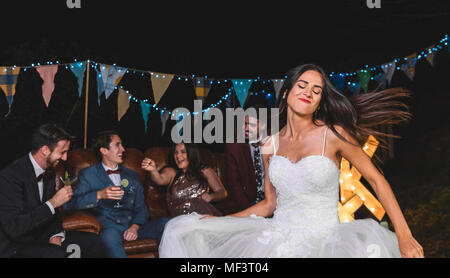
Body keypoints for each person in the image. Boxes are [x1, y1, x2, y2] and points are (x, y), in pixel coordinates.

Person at [158, 64, 424, 258]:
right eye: (302, 85)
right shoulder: (270, 143)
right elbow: (269, 204)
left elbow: (378, 181)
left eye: (317, 90)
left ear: (319, 102)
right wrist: (220, 222)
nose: (308, 92)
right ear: (286, 92)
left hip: (327, 242)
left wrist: (404, 234)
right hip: (279, 242)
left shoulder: (333, 135)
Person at [0, 123, 106, 258]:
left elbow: (53, 216)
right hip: (16, 246)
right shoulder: (10, 176)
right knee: (56, 254)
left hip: (41, 238)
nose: (65, 158)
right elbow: (14, 228)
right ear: (45, 150)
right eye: (62, 152)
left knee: (94, 242)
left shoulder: (49, 172)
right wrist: (53, 203)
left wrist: (56, 235)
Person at [65, 130, 169, 258]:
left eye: (122, 145)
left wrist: (135, 227)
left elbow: (141, 208)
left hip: (135, 227)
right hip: (111, 229)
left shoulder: (132, 175)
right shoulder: (88, 175)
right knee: (108, 237)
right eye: (117, 145)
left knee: (167, 223)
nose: (123, 149)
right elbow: (71, 204)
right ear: (104, 150)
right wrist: (98, 195)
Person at [142, 142, 227, 218]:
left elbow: (222, 192)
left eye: (183, 152)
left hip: (204, 216)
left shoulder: (205, 170)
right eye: (176, 152)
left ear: (191, 153)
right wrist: (153, 170)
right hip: (182, 220)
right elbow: (159, 179)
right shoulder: (171, 172)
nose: (178, 156)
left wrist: (211, 197)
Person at [224, 104, 268, 213]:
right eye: (244, 123)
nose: (246, 128)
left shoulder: (272, 142)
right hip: (246, 203)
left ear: (262, 126)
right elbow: (233, 184)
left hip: (271, 201)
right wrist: (249, 211)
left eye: (251, 124)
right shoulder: (233, 145)